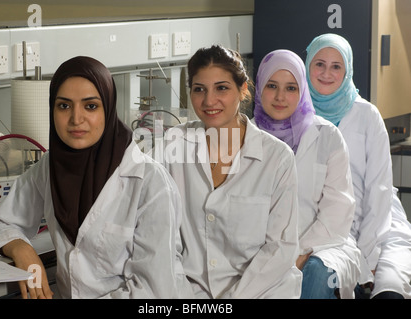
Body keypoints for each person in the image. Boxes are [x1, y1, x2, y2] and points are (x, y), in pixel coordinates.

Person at [0, 56, 191, 299]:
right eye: (64, 106)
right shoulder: (50, 167)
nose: (75, 119)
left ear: (108, 109)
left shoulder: (150, 182)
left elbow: (154, 291)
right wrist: (22, 249)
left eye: (90, 106)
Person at [159, 44, 302, 298]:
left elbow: (279, 249)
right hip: (191, 292)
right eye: (199, 89)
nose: (209, 101)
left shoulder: (276, 158)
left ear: (243, 90)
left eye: (221, 88)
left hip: (260, 291)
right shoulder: (173, 144)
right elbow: (161, 238)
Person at [305, 33, 411, 299]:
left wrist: (368, 257)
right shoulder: (298, 116)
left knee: (390, 291)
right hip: (326, 226)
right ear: (307, 66)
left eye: (336, 66)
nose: (326, 73)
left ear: (348, 70)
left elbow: (380, 190)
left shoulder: (367, 115)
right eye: (319, 64)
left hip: (379, 222)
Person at [252, 49, 361, 299]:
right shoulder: (245, 138)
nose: (281, 97)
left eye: (291, 88)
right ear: (259, 88)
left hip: (319, 247)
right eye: (272, 86)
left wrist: (296, 251)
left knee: (315, 275)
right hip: (259, 249)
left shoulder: (327, 137)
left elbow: (338, 212)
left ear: (302, 90)